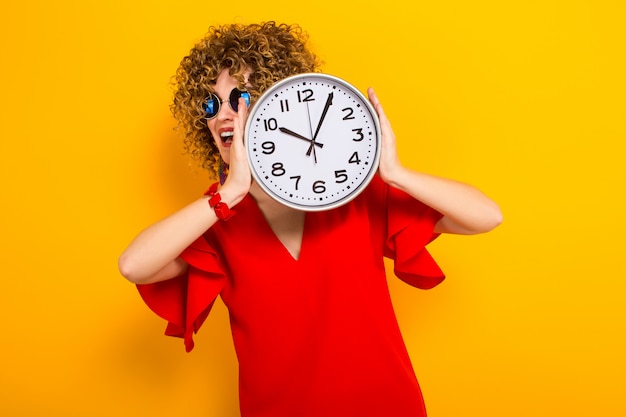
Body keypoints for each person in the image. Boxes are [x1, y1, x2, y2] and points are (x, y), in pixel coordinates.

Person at [119, 21, 502, 417]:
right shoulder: (215, 218)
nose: (224, 116)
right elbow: (134, 265)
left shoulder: (350, 189)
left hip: (386, 405)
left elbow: (486, 216)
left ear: (279, 104)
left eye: (241, 98)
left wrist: (396, 173)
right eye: (212, 105)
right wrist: (230, 193)